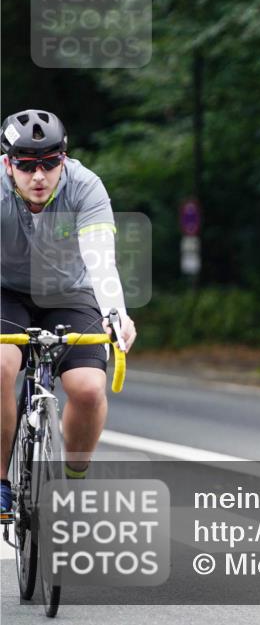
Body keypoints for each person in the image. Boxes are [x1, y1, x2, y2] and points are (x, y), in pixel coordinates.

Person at [0, 109, 137, 522]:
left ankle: (73, 482)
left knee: (89, 389)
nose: (38, 176)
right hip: (5, 292)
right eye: (26, 164)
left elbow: (100, 260)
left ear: (64, 157)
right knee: (2, 366)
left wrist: (116, 314)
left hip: (70, 293)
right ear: (8, 162)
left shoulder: (85, 186)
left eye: (49, 163)